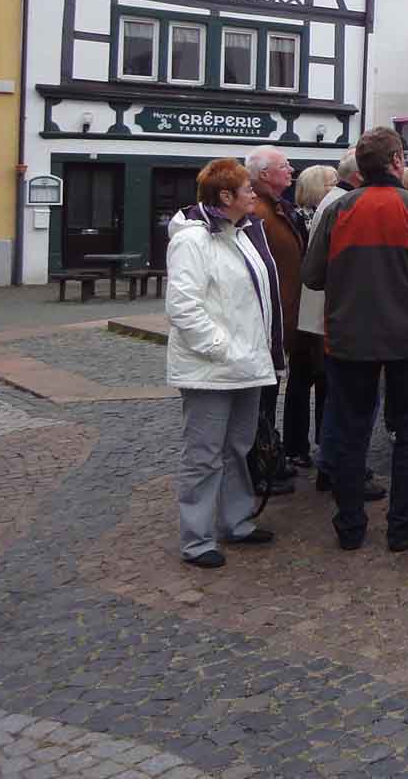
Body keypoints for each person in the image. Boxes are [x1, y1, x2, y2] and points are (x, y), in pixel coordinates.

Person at [303, 127, 408, 553]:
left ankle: (350, 526)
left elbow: (312, 276)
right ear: (396, 162)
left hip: (349, 337)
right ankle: (403, 526)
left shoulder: (339, 209)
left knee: (350, 432)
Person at [165, 159, 281, 568]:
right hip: (212, 369)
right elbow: (184, 307)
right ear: (226, 195)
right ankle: (197, 539)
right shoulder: (192, 240)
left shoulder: (240, 233)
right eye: (247, 189)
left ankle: (237, 521)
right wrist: (222, 349)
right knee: (203, 454)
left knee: (237, 448)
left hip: (245, 366)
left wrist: (256, 352)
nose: (253, 195)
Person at [307, 151, 385, 502]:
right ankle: (342, 471)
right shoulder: (343, 205)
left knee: (340, 400)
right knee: (352, 404)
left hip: (336, 319)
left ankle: (331, 465)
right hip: (349, 320)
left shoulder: (334, 202)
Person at [243, 145, 303, 493]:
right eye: (285, 166)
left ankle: (268, 459)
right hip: (264, 325)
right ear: (265, 174)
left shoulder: (274, 208)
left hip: (280, 322)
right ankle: (259, 468)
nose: (291, 170)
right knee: (260, 401)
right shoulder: (257, 214)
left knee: (267, 397)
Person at [284, 164, 336, 469]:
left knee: (318, 380)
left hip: (314, 309)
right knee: (304, 380)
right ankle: (298, 445)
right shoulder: (301, 219)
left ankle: (315, 444)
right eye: (330, 183)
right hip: (306, 311)